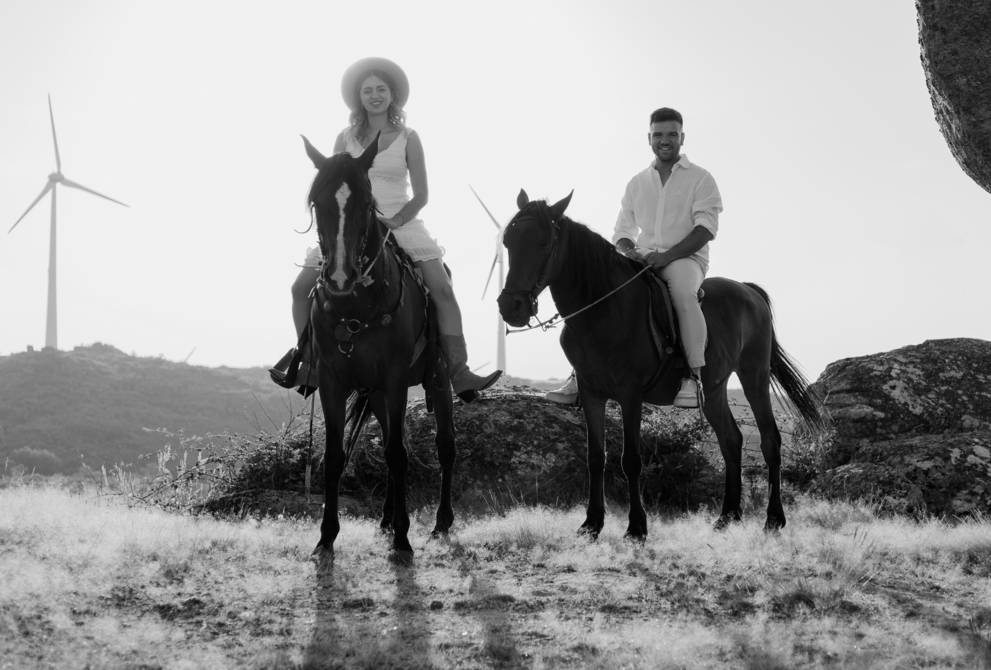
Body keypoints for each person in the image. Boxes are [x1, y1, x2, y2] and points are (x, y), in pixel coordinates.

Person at [272, 57, 501, 400]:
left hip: (399, 220)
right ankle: (310, 360)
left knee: (443, 289)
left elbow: (422, 194)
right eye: (367, 90)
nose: (374, 95)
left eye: (381, 89)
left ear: (392, 95)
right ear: (358, 97)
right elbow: (334, 184)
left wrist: (395, 220)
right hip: (349, 225)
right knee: (299, 287)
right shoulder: (344, 137)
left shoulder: (409, 138)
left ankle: (458, 370)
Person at [546, 106, 722, 408]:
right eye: (658, 135)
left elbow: (704, 230)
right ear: (649, 138)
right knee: (601, 297)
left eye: (671, 134)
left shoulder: (701, 179)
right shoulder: (637, 183)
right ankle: (580, 374)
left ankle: (692, 377)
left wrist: (667, 257)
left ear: (682, 137)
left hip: (685, 259)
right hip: (640, 260)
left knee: (682, 296)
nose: (664, 140)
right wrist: (629, 252)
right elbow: (622, 231)